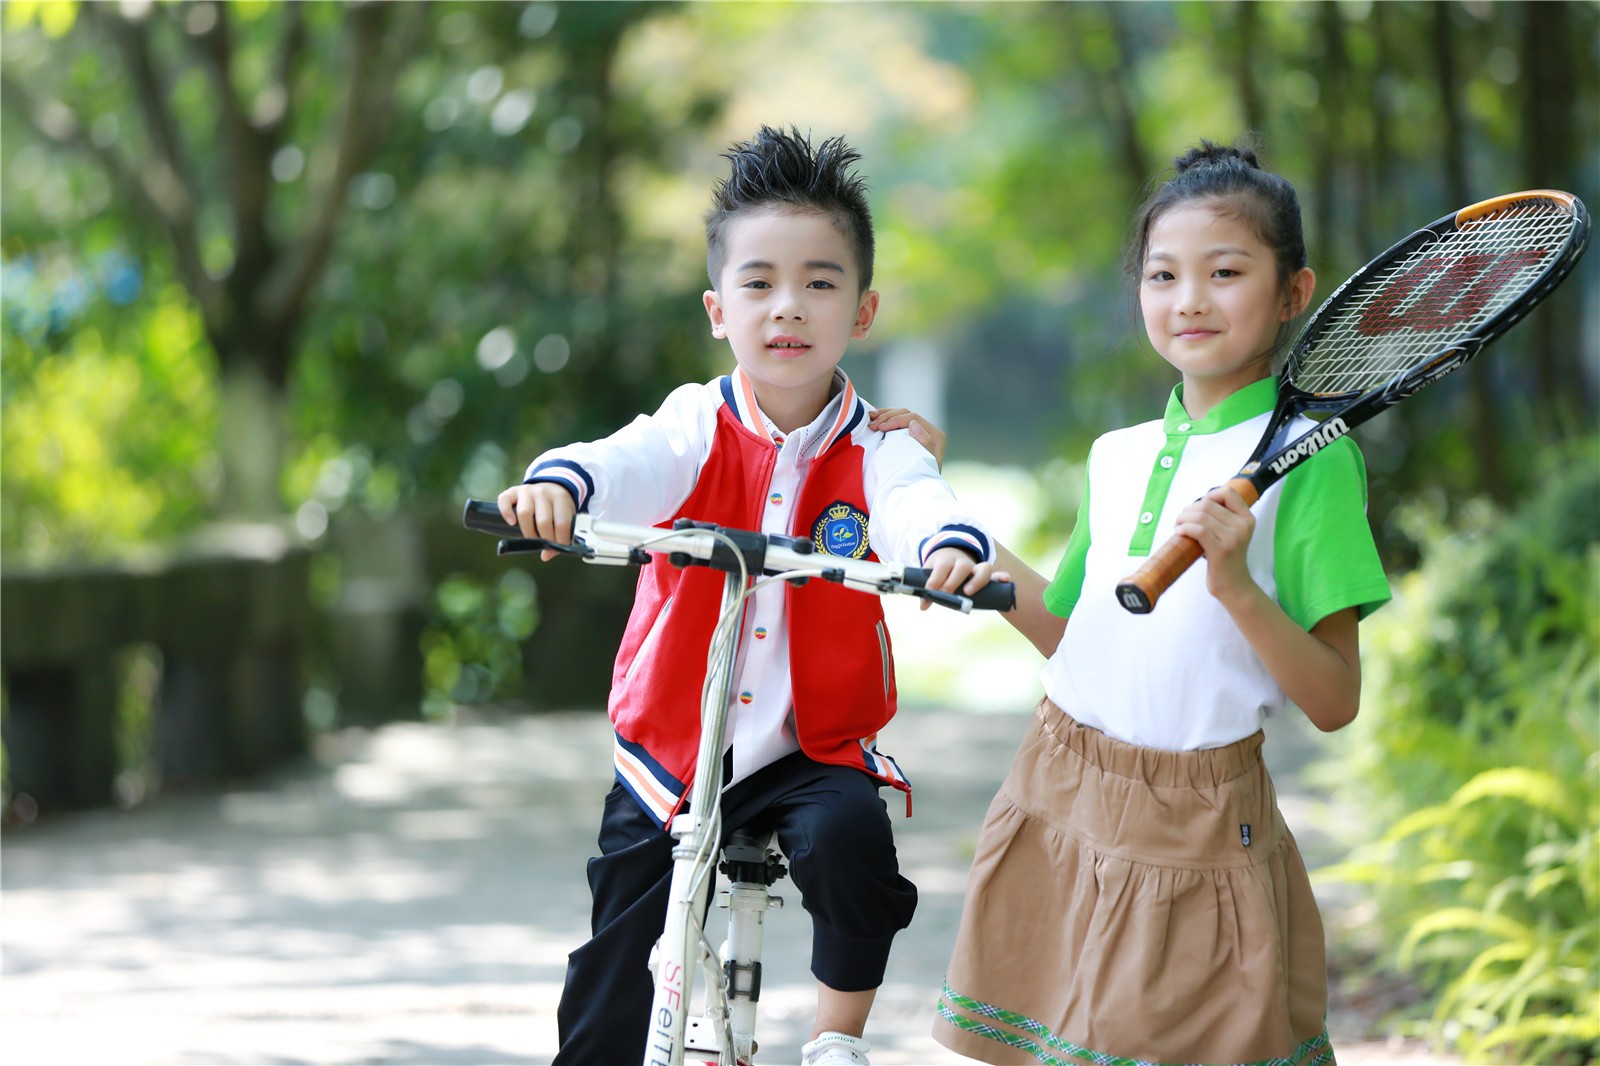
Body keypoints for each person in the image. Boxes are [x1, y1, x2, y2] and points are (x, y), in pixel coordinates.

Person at [497, 125, 997, 1066]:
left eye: (820, 283)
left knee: (854, 849)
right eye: (758, 283)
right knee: (616, 950)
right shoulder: (695, 423)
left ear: (864, 308)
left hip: (812, 744)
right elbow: (628, 461)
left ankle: (836, 1038)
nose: (788, 307)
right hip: (675, 748)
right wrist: (561, 487)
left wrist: (947, 550)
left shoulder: (879, 445)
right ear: (718, 310)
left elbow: (917, 504)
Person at [932, 141, 1392, 1066]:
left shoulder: (1312, 463)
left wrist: (1235, 585)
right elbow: (1071, 635)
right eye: (1163, 275)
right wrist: (946, 518)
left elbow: (1336, 700)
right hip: (1059, 782)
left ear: (1294, 292)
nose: (1189, 299)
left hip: (1199, 823)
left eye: (1225, 272)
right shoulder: (1119, 454)